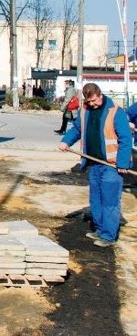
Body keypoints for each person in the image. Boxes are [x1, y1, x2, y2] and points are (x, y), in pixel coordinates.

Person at [58, 83, 132, 248]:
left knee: (110, 201)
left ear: (100, 94)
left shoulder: (115, 111)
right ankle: (99, 229)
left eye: (94, 101)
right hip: (93, 163)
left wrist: (122, 163)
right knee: (96, 199)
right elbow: (77, 129)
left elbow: (125, 138)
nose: (92, 104)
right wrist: (65, 141)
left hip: (111, 165)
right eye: (89, 102)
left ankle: (108, 235)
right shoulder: (85, 110)